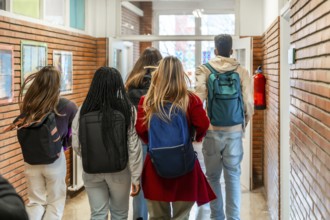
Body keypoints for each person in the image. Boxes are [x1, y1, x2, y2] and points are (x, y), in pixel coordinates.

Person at [136, 56, 216, 220]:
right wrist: (194, 137)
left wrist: (156, 142)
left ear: (158, 75)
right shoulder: (190, 99)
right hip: (184, 166)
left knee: (157, 217)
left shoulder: (147, 101)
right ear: (181, 75)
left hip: (155, 167)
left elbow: (141, 130)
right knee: (182, 216)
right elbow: (203, 124)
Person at [195, 34, 254, 220]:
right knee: (233, 177)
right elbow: (249, 103)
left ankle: (216, 217)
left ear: (215, 50)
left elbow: (198, 100)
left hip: (212, 130)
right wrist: (242, 123)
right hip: (234, 130)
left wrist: (200, 127)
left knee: (212, 177)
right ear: (231, 51)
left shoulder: (204, 70)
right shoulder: (242, 71)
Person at [72, 67, 143, 220]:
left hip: (92, 171)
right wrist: (136, 177)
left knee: (98, 214)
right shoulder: (127, 109)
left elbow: (77, 144)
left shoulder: (83, 109)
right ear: (118, 85)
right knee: (119, 214)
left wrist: (92, 156)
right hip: (120, 171)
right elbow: (133, 147)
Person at [15, 66, 77, 220]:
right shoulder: (67, 106)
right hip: (54, 160)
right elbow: (72, 135)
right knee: (55, 202)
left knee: (36, 202)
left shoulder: (29, 105)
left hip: (30, 160)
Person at [125, 47, 162, 220]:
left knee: (138, 183)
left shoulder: (131, 82)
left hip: (137, 139)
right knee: (161, 182)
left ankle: (139, 217)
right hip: (161, 139)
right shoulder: (163, 82)